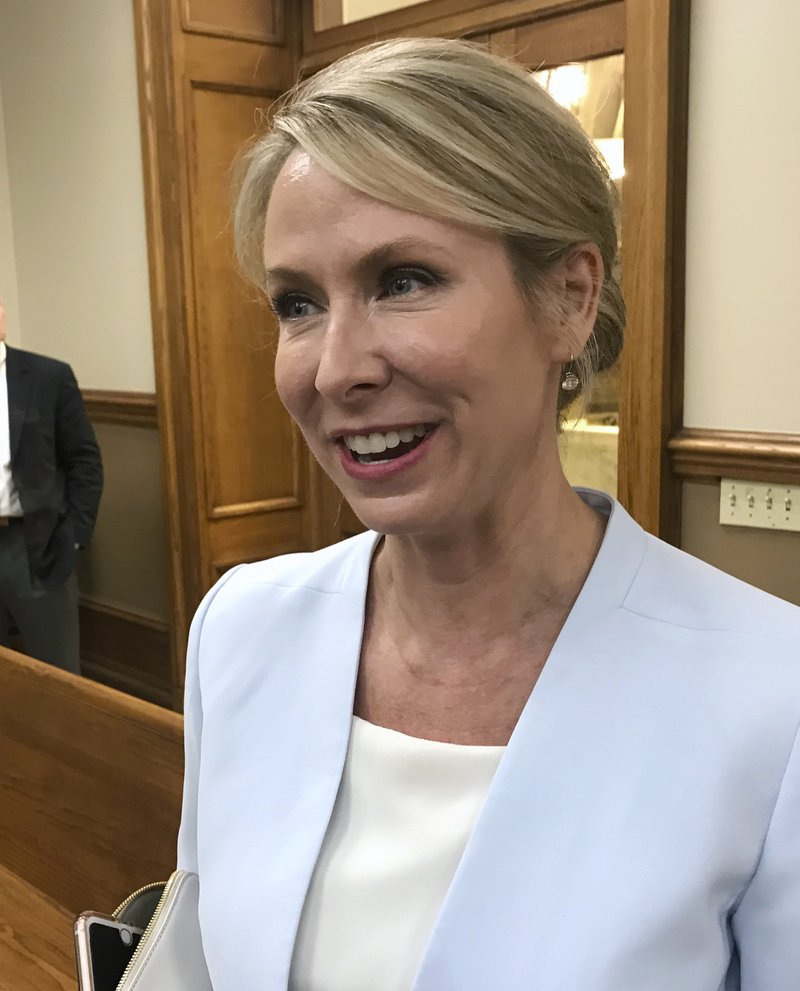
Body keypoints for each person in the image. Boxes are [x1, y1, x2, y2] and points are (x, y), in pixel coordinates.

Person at [176, 38, 800, 990]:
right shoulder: (241, 628)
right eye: (298, 302)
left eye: (404, 280)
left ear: (569, 299)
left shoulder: (771, 694)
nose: (337, 367)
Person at [0, 298, 103, 673]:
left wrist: (73, 536)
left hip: (36, 546)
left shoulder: (47, 377)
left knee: (56, 675)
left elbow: (84, 460)